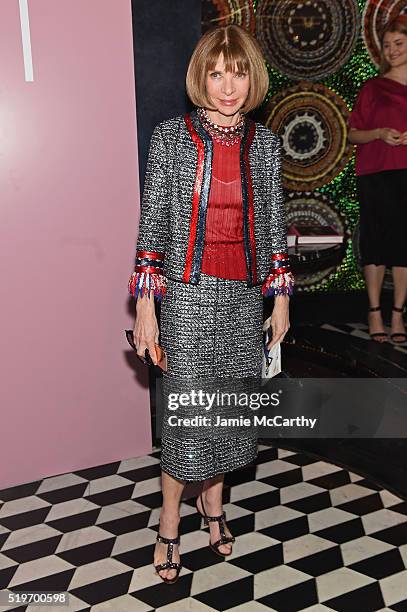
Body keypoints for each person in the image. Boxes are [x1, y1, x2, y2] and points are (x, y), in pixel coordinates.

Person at [128, 25, 294, 583]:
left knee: (228, 413)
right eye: (218, 72)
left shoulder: (265, 145)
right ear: (201, 76)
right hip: (187, 298)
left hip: (245, 300)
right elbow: (151, 229)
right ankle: (170, 519)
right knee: (187, 418)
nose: (229, 86)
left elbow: (273, 228)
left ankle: (214, 506)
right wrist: (146, 311)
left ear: (254, 78)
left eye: (239, 72)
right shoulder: (172, 138)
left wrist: (281, 300)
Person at [348, 15, 407, 343]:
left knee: (403, 243)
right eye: (387, 45)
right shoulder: (373, 86)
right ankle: (374, 312)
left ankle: (398, 315)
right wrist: (379, 133)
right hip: (375, 172)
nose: (392, 50)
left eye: (399, 43)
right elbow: (354, 134)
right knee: (376, 240)